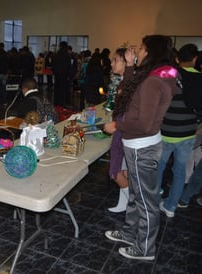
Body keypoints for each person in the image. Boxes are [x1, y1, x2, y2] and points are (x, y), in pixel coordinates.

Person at [104, 35, 177, 261]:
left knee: (146, 201)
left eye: (143, 48)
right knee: (137, 195)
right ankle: (129, 232)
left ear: (151, 52)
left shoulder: (153, 81)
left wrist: (117, 124)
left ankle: (145, 248)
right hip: (141, 144)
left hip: (140, 147)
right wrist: (130, 65)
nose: (139, 52)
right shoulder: (159, 75)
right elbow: (133, 96)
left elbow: (143, 123)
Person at [158, 44, 202, 216]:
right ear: (194, 59)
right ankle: (170, 207)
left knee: (159, 168)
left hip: (166, 131)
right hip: (188, 133)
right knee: (180, 170)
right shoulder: (200, 78)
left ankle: (153, 202)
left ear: (177, 59)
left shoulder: (169, 74)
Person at [106, 48, 129, 213]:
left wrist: (116, 124)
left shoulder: (128, 83)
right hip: (123, 128)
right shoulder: (123, 81)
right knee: (123, 170)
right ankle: (124, 204)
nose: (112, 63)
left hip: (124, 130)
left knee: (115, 172)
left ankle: (133, 204)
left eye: (115, 60)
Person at [52, 41, 71, 107]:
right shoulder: (67, 54)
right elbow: (68, 66)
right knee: (63, 89)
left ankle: (56, 103)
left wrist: (54, 72)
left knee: (57, 88)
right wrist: (69, 74)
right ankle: (62, 103)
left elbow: (53, 64)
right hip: (64, 74)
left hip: (57, 74)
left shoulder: (57, 54)